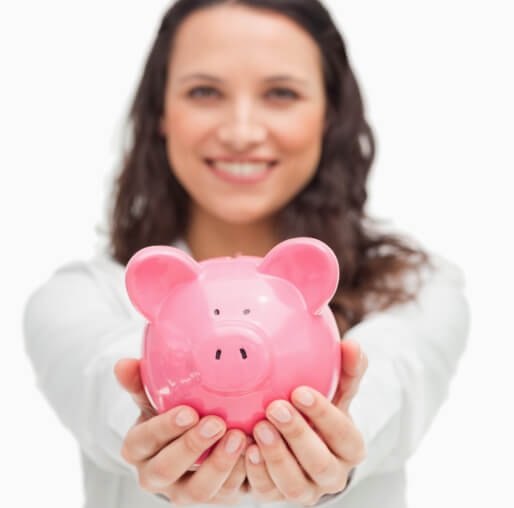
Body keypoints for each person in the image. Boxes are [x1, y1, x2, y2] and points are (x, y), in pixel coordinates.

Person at [21, 1, 470, 507]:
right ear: (161, 113)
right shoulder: (76, 298)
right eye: (204, 91)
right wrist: (153, 424)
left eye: (281, 93)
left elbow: (395, 379)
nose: (240, 131)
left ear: (329, 114)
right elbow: (101, 378)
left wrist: (333, 441)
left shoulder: (417, 288)